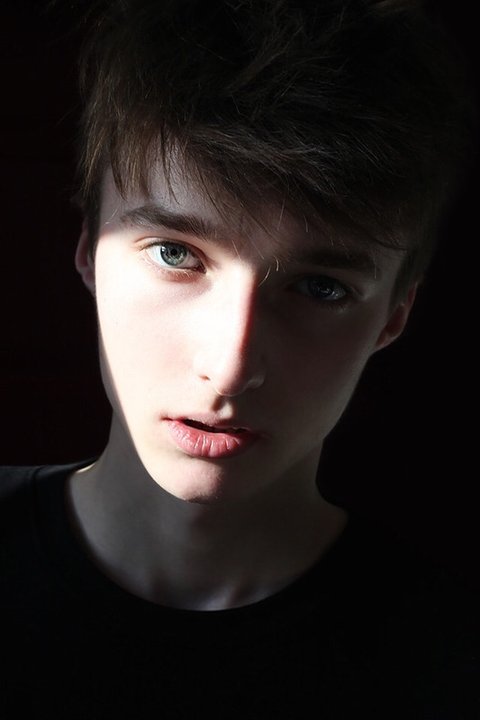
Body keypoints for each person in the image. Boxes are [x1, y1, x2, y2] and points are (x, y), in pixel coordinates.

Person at [1, 0, 478, 717]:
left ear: (393, 317)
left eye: (320, 288)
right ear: (88, 251)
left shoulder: (451, 662)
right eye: (175, 254)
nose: (228, 369)